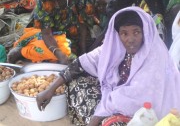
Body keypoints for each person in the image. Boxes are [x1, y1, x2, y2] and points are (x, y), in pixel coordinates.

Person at [36, 7, 180, 126]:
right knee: (76, 82)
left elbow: (135, 97)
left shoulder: (155, 56)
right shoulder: (116, 47)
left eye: (136, 32)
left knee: (112, 123)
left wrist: (99, 115)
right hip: (118, 97)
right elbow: (82, 62)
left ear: (146, 32)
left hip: (150, 111)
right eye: (124, 33)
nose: (130, 40)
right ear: (118, 35)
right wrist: (50, 89)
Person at [7, 0, 96, 64]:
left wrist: (83, 52)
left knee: (71, 57)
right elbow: (46, 33)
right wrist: (58, 52)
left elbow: (83, 26)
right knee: (47, 51)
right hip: (51, 38)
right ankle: (22, 52)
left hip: (74, 40)